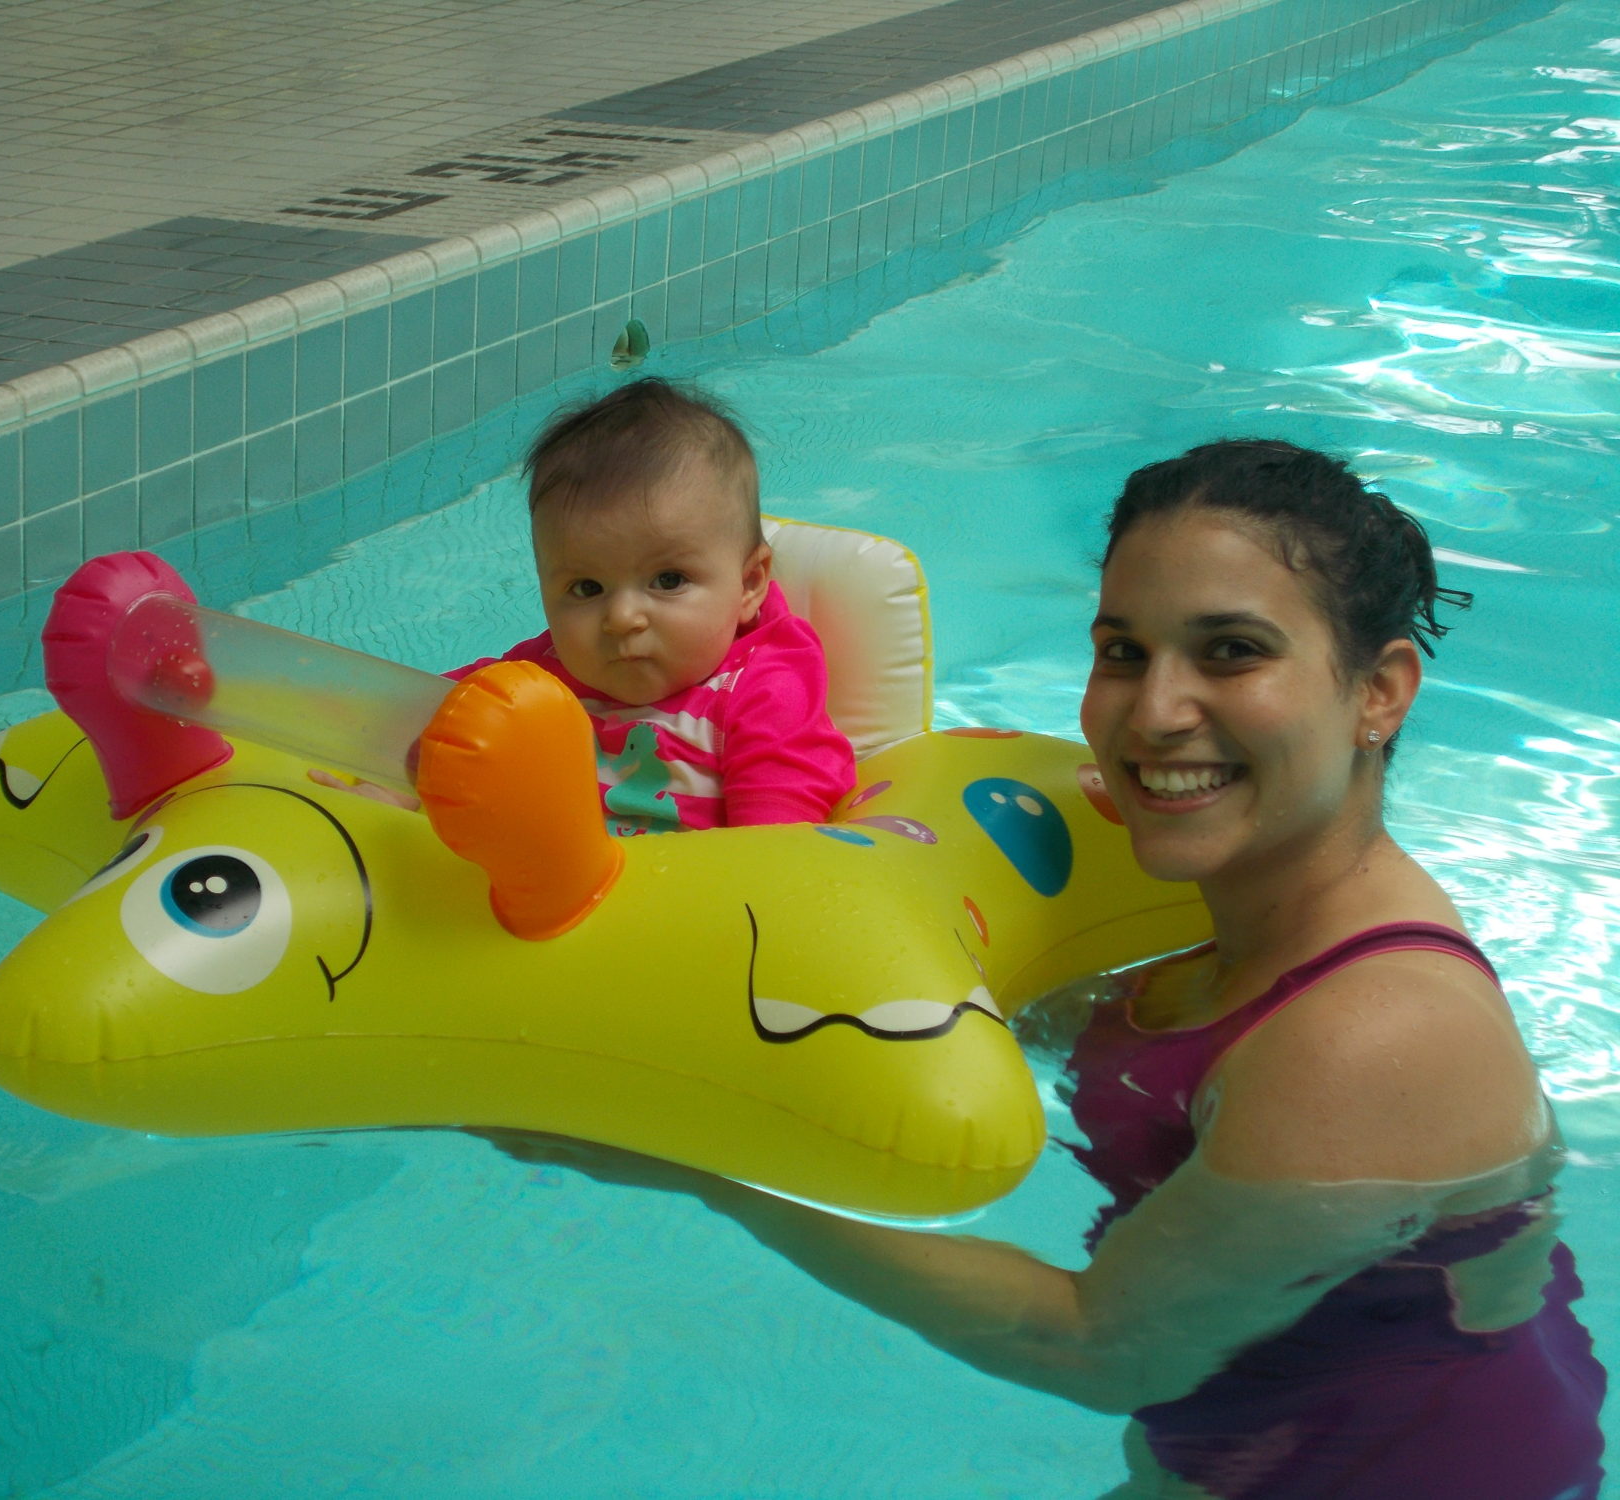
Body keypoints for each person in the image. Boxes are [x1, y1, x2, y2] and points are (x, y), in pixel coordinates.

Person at [491, 439, 1605, 1497]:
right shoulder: (1240, 922)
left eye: (1231, 651)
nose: (1154, 712)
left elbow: (1099, 1347)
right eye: (1123, 652)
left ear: (1380, 691)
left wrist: (705, 1169)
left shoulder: (1372, 1030)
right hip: (1242, 1451)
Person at [326, 378, 856, 833]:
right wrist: (392, 791)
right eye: (586, 588)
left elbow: (777, 841)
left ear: (749, 584)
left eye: (668, 580)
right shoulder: (541, 675)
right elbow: (433, 717)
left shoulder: (764, 687)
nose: (622, 618)